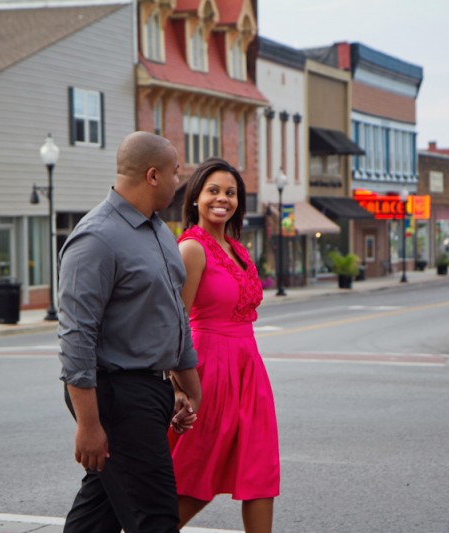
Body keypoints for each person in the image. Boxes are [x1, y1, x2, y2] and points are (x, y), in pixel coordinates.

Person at [58, 131, 202, 533]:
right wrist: (89, 424)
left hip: (149, 392)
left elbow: (174, 314)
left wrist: (188, 386)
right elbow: (76, 337)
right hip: (117, 395)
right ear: (153, 175)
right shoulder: (96, 239)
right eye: (175, 172)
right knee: (154, 517)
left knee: (98, 514)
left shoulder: (158, 232)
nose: (180, 180)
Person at [169, 158, 280, 533]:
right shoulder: (191, 248)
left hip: (250, 369)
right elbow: (175, 324)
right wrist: (178, 386)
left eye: (230, 192)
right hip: (210, 369)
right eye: (213, 191)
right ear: (195, 197)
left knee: (260, 471)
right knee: (198, 475)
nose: (223, 199)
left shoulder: (236, 247)